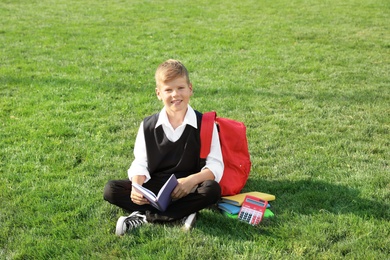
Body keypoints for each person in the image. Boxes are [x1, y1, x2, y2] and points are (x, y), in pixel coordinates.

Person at [103, 59, 224, 235]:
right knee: (111, 190)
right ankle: (181, 214)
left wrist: (190, 181)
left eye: (180, 88)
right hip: (156, 186)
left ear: (190, 89)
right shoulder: (148, 125)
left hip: (189, 187)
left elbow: (215, 165)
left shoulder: (205, 123)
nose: (175, 94)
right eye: (168, 90)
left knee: (211, 189)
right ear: (158, 93)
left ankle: (144, 217)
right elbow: (140, 162)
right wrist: (137, 187)